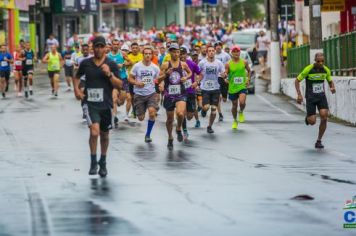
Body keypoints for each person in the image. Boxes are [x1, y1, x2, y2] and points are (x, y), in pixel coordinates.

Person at [74, 36, 122, 177]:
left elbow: (120, 84)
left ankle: (103, 162)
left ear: (105, 48)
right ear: (92, 47)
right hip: (90, 103)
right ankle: (93, 161)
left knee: (105, 135)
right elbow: (77, 76)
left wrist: (109, 74)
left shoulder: (111, 64)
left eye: (101, 46)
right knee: (94, 132)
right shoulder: (86, 63)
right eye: (96, 46)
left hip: (106, 104)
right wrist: (77, 90)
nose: (99, 49)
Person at [295, 52, 336, 149]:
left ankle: (319, 141)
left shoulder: (325, 70)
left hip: (321, 96)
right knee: (312, 121)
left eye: (322, 61)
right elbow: (297, 80)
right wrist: (299, 95)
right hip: (311, 97)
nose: (321, 63)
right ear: (315, 61)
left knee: (324, 117)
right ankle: (308, 118)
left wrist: (332, 88)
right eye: (318, 61)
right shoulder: (308, 69)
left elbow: (330, 81)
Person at [159, 43, 192, 149]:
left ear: (179, 52)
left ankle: (178, 128)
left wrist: (186, 78)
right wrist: (166, 75)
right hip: (169, 95)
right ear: (170, 53)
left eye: (177, 51)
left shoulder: (183, 64)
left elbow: (190, 73)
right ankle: (170, 138)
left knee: (181, 113)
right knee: (169, 119)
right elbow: (158, 79)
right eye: (173, 51)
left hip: (181, 93)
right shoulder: (165, 64)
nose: (175, 53)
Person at [128, 46, 160, 143]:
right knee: (141, 118)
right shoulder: (137, 66)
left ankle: (148, 135)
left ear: (152, 55)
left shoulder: (155, 67)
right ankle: (137, 109)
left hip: (151, 94)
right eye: (146, 53)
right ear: (143, 55)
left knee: (152, 113)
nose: (147, 55)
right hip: (139, 94)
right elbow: (130, 78)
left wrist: (161, 85)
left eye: (149, 54)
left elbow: (159, 79)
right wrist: (137, 83)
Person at [197, 45, 226, 134]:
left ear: (215, 52)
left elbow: (223, 73)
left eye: (213, 51)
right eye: (209, 51)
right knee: (206, 107)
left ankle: (209, 126)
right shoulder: (202, 62)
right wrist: (197, 83)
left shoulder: (219, 63)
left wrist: (224, 76)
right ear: (207, 52)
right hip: (205, 88)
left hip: (215, 88)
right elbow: (198, 73)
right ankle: (203, 110)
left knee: (213, 109)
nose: (211, 52)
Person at [225, 45, 251, 130]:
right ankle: (235, 120)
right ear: (231, 53)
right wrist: (225, 77)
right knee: (234, 105)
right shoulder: (228, 64)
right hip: (232, 87)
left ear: (240, 52)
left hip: (242, 86)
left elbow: (249, 70)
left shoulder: (244, 62)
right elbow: (226, 73)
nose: (236, 53)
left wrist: (248, 79)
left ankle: (241, 112)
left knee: (242, 102)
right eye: (234, 51)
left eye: (238, 51)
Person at [179, 47, 201, 139]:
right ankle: (184, 130)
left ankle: (186, 122)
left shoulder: (191, 63)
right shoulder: (174, 64)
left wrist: (197, 82)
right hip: (180, 92)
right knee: (182, 112)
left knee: (189, 116)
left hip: (190, 91)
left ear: (186, 54)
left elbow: (200, 73)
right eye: (180, 53)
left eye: (184, 53)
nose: (182, 55)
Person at [215, 41, 231, 122]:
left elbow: (230, 66)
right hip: (216, 77)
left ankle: (224, 96)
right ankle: (220, 114)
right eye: (216, 46)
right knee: (218, 97)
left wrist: (228, 77)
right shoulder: (212, 55)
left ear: (221, 46)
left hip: (224, 77)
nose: (218, 47)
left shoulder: (226, 55)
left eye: (219, 46)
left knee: (224, 99)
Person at [127, 42, 143, 119]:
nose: (135, 49)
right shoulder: (128, 56)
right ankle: (134, 110)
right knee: (132, 97)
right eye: (133, 48)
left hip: (140, 79)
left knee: (140, 96)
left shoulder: (142, 56)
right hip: (131, 79)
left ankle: (140, 109)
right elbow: (125, 65)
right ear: (131, 49)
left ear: (138, 48)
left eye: (136, 48)